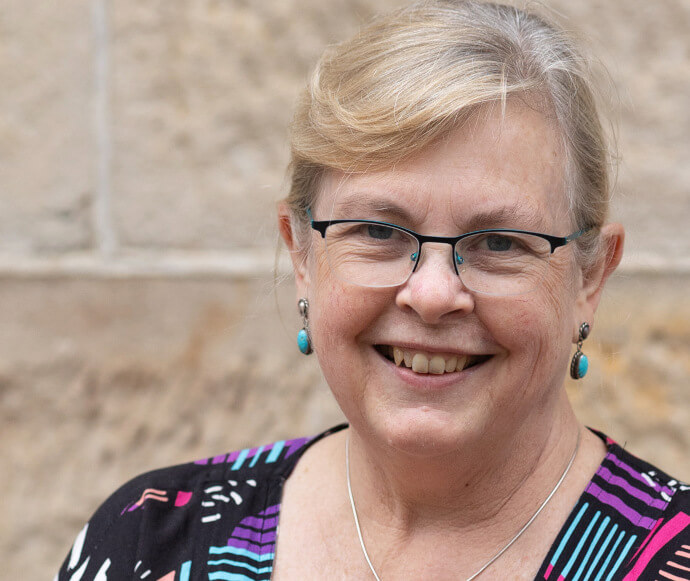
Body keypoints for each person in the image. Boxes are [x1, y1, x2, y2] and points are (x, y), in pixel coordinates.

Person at [57, 1, 689, 580]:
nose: (433, 293)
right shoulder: (147, 544)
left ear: (590, 276)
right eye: (380, 231)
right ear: (302, 253)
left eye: (499, 242)